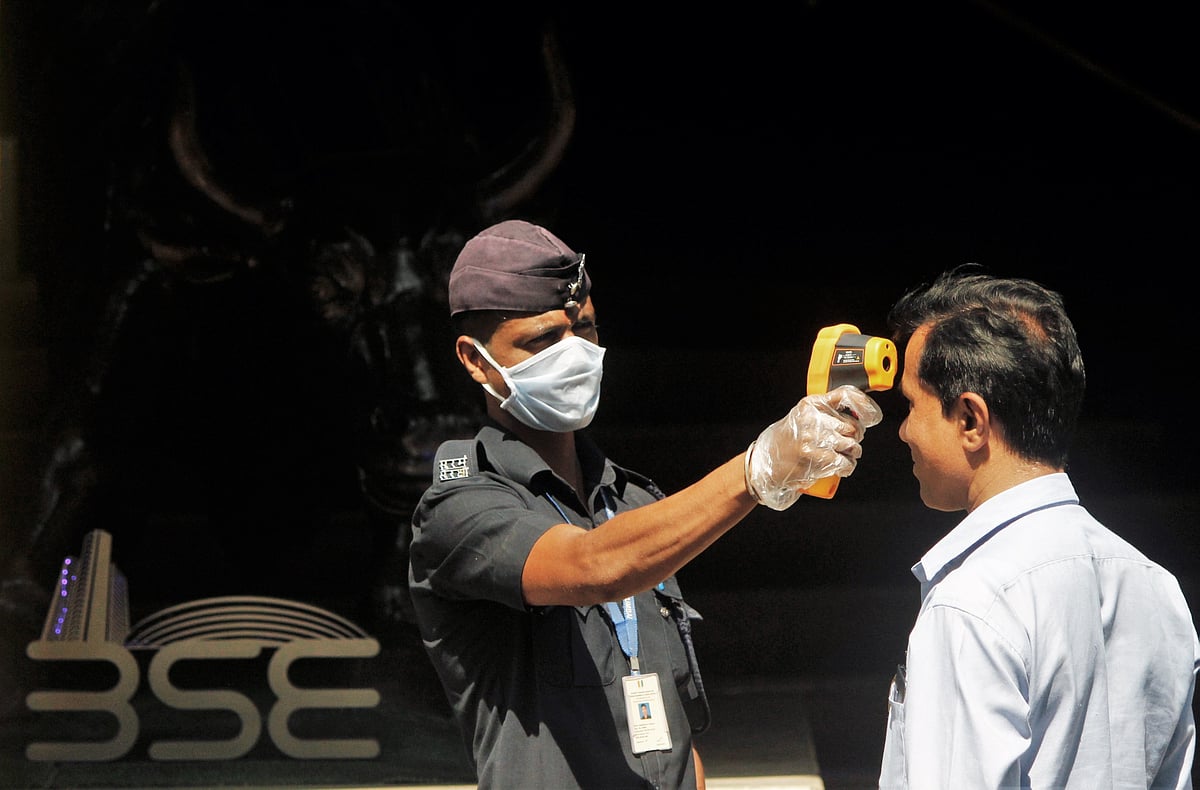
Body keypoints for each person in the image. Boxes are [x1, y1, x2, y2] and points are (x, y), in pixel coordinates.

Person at [408, 218, 883, 789]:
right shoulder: (460, 509)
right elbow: (594, 566)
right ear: (476, 359)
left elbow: (671, 722)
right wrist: (758, 470)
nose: (575, 353)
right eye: (542, 340)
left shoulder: (633, 501)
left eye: (585, 328)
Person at [879, 266, 1200, 789]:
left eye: (911, 405)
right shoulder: (1157, 586)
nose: (903, 430)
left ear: (970, 421)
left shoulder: (972, 604)